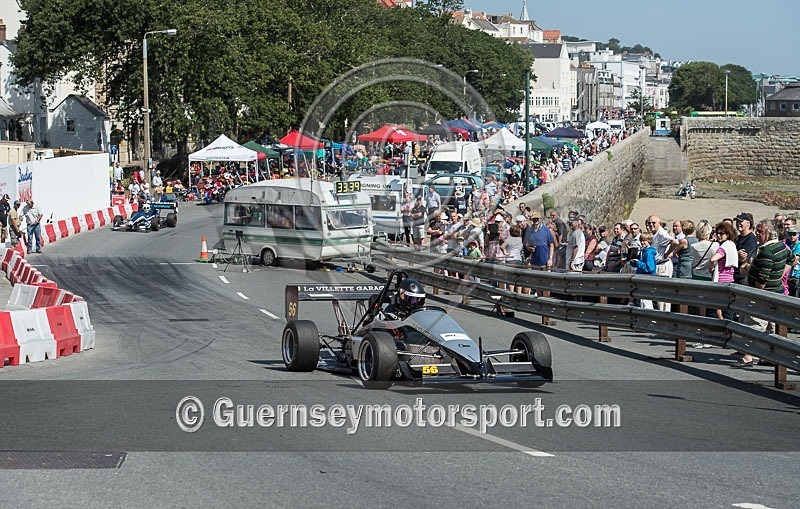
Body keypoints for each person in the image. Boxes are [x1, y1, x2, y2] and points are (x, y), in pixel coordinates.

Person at [733, 220, 793, 368]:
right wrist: (778, 276)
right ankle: (770, 356)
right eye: (757, 231)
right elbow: (791, 259)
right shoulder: (780, 246)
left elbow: (762, 277)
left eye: (761, 231)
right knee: (770, 326)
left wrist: (758, 289)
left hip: (762, 294)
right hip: (775, 292)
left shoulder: (767, 251)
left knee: (754, 324)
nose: (757, 234)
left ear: (769, 233)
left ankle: (748, 356)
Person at [629, 231, 656, 309]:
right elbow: (638, 264)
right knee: (642, 301)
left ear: (649, 241)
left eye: (644, 241)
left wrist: (638, 262)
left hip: (647, 279)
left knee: (646, 301)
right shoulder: (643, 251)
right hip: (642, 278)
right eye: (641, 240)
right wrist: (633, 261)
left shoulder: (649, 253)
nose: (642, 242)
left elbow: (650, 268)